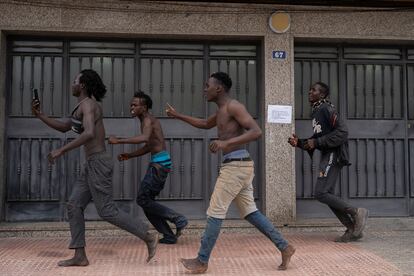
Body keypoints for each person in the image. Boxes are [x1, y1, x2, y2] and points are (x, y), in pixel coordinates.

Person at [166, 72, 295, 273]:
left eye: (207, 85)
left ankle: (201, 261)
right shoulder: (220, 111)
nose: (204, 89)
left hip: (236, 166)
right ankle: (285, 247)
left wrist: (225, 142)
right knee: (250, 212)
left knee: (215, 211)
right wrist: (177, 115)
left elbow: (256, 131)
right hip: (238, 165)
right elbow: (203, 124)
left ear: (218, 88)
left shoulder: (234, 106)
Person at [31, 69, 158, 267]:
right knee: (74, 205)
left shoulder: (89, 105)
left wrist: (61, 150)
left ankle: (148, 236)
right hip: (91, 164)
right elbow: (66, 126)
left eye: (75, 80)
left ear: (82, 85)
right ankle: (80, 255)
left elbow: (89, 133)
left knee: (106, 211)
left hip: (98, 162)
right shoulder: (82, 106)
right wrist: (40, 115)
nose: (72, 84)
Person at [288, 82, 369, 243]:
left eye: (314, 90)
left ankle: (356, 212)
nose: (310, 92)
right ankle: (352, 229)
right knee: (326, 194)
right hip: (328, 154)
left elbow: (342, 132)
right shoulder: (317, 111)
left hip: (334, 154)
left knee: (321, 193)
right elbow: (317, 141)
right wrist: (300, 143)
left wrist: (316, 143)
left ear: (323, 95)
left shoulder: (326, 108)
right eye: (309, 89)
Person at [108, 91, 188, 245]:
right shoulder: (145, 120)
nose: (131, 107)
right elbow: (150, 145)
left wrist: (118, 140)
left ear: (143, 108)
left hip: (159, 165)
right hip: (160, 163)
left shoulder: (147, 120)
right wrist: (130, 156)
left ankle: (178, 218)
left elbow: (144, 138)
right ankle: (169, 235)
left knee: (143, 199)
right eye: (131, 104)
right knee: (145, 201)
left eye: (135, 105)